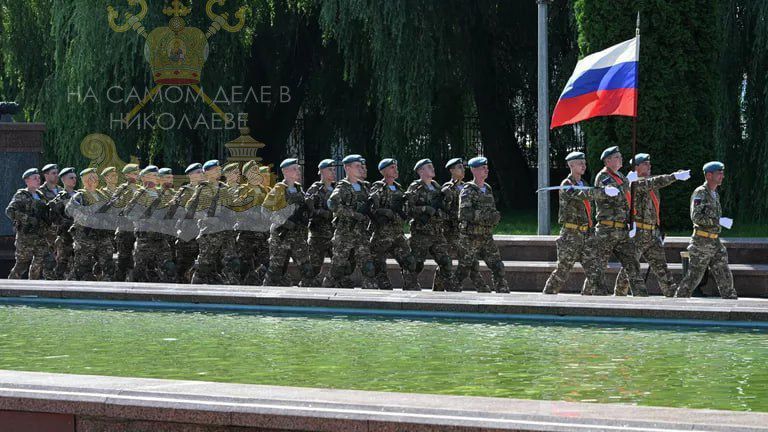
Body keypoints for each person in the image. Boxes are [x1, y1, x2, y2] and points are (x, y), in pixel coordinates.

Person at [614, 153, 691, 296]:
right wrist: (674, 176)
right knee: (629, 268)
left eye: (649, 163)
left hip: (652, 234)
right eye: (645, 164)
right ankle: (618, 296)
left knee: (662, 268)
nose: (649, 166)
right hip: (638, 234)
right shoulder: (634, 183)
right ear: (636, 168)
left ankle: (672, 297)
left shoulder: (650, 183)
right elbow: (655, 182)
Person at [582, 146, 647, 296]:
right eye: (617, 157)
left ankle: (642, 297)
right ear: (608, 161)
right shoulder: (604, 177)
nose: (621, 159)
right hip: (607, 230)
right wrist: (627, 183)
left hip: (622, 230)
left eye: (620, 156)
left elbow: (627, 200)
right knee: (598, 267)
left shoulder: (620, 176)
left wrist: (632, 221)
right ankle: (587, 296)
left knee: (632, 264)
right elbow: (614, 194)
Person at [675, 162, 738, 299]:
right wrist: (718, 221)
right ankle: (676, 304)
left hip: (714, 241)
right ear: (709, 175)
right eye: (719, 173)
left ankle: (731, 301)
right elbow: (696, 217)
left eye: (722, 173)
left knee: (725, 274)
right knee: (692, 279)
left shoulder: (714, 194)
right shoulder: (700, 193)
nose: (722, 176)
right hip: (701, 242)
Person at [542, 152, 602, 294]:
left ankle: (589, 299)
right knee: (563, 270)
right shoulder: (567, 185)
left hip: (586, 233)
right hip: (571, 235)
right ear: (571, 165)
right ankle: (547, 296)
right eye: (580, 163)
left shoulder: (584, 184)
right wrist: (602, 191)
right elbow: (580, 196)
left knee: (594, 270)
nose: (583, 166)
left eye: (584, 163)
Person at [322, 154, 378, 289]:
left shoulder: (364, 186)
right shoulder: (342, 187)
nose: (360, 169)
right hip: (345, 234)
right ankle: (325, 292)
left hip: (361, 235)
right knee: (338, 269)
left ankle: (371, 296)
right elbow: (332, 204)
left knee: (368, 267)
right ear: (347, 168)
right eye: (357, 166)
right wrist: (354, 214)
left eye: (361, 166)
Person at [455, 157, 509, 293]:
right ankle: (451, 292)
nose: (486, 170)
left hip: (486, 236)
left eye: (486, 167)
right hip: (470, 238)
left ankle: (503, 292)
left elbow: (491, 210)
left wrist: (495, 217)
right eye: (482, 168)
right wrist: (487, 217)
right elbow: (464, 214)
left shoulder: (487, 188)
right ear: (473, 170)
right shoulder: (468, 190)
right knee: (464, 268)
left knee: (498, 266)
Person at [405, 159, 457, 291]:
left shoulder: (436, 186)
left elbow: (445, 208)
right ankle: (410, 288)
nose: (432, 169)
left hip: (437, 233)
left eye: (432, 166)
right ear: (421, 171)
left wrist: (448, 198)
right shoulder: (415, 187)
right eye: (429, 167)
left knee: (446, 262)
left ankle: (439, 291)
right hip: (421, 233)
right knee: (416, 264)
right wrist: (425, 209)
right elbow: (407, 209)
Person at [261, 158, 314, 286]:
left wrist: (309, 207)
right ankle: (264, 296)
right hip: (281, 237)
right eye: (294, 169)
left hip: (298, 236)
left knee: (307, 269)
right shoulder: (278, 189)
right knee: (275, 271)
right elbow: (265, 210)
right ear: (285, 171)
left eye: (298, 168)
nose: (298, 171)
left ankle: (310, 299)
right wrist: (284, 222)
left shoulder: (299, 189)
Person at [368, 158, 420, 290]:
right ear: (384, 171)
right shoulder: (378, 187)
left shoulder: (398, 188)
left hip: (397, 233)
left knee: (409, 261)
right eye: (392, 167)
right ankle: (385, 292)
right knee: (379, 266)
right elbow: (372, 208)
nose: (396, 170)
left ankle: (412, 287)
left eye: (396, 167)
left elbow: (406, 210)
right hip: (382, 234)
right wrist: (386, 211)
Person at [437, 158, 486, 291]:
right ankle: (480, 288)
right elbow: (441, 212)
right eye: (459, 167)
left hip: (464, 231)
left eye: (463, 167)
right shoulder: (447, 189)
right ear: (452, 170)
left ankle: (441, 288)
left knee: (467, 260)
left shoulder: (466, 187)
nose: (463, 170)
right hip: (451, 232)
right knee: (468, 259)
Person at [187, 160, 239, 284]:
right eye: (215, 170)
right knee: (205, 264)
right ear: (207, 173)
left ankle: (232, 288)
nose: (218, 172)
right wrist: (206, 218)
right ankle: (195, 286)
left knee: (232, 262)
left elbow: (233, 207)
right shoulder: (203, 188)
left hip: (226, 231)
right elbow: (190, 208)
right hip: (210, 233)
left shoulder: (225, 188)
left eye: (219, 169)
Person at [66, 168, 115, 280]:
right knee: (83, 267)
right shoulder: (80, 196)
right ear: (86, 180)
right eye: (92, 177)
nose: (96, 180)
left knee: (108, 265)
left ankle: (108, 290)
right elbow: (70, 210)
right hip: (85, 238)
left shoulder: (103, 196)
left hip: (102, 236)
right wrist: (90, 220)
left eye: (96, 177)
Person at [5, 168, 55, 279]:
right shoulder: (21, 195)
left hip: (40, 236)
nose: (38, 180)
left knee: (40, 261)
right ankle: (10, 285)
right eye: (35, 178)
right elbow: (10, 211)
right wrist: (27, 218)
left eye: (38, 178)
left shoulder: (41, 195)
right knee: (22, 264)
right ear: (27, 181)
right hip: (26, 237)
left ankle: (33, 285)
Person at [232, 162, 272, 285]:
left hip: (263, 234)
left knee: (267, 263)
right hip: (247, 234)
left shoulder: (265, 190)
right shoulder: (242, 190)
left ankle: (258, 283)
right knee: (244, 264)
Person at [165, 163, 204, 283]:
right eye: (198, 172)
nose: (201, 174)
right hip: (187, 232)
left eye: (202, 172)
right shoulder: (184, 191)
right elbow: (173, 209)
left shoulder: (208, 189)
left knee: (206, 264)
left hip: (204, 232)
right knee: (183, 265)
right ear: (191, 175)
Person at [304, 159, 337, 286]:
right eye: (330, 170)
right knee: (314, 268)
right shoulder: (315, 189)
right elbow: (308, 211)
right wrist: (322, 213)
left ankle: (327, 283)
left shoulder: (337, 189)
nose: (333, 172)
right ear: (322, 171)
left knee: (341, 265)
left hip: (334, 235)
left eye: (334, 170)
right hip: (318, 235)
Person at [47, 167, 78, 279]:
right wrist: (67, 223)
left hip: (79, 237)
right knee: (62, 265)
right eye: (71, 178)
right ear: (64, 180)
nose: (74, 180)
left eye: (75, 177)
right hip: (65, 237)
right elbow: (54, 218)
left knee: (78, 265)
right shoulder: (59, 198)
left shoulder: (80, 196)